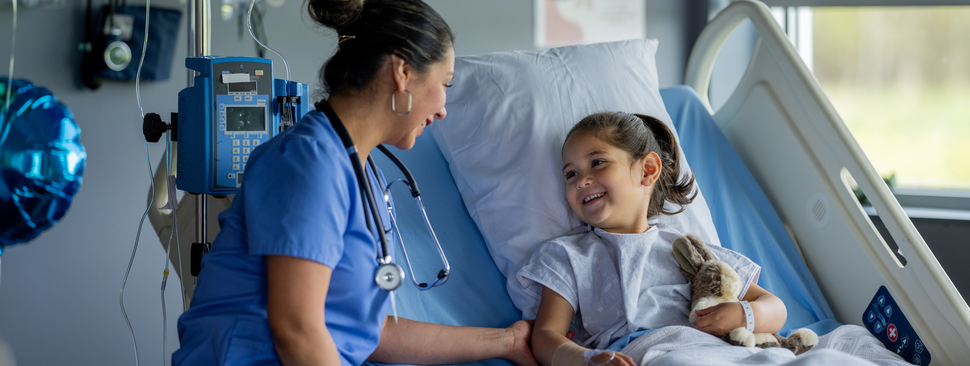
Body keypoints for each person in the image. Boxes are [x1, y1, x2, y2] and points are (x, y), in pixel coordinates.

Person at [172, 1, 537, 365]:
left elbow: (371, 333)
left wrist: (506, 341)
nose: (443, 108)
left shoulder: (361, 170)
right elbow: (297, 331)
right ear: (402, 72)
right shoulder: (308, 163)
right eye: (445, 84)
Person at [518, 112, 788, 366]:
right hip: (645, 355)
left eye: (597, 162)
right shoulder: (568, 255)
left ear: (647, 170)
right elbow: (544, 336)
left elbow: (775, 307)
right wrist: (586, 359)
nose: (580, 181)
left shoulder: (685, 249)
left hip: (716, 349)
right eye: (570, 174)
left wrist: (744, 315)